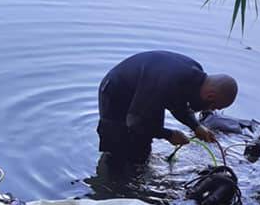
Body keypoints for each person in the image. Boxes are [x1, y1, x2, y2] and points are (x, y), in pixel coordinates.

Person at [97, 50, 238, 162]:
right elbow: (136, 122)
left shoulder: (195, 74)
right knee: (116, 149)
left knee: (141, 147)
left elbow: (178, 105)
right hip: (116, 94)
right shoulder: (165, 82)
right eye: (214, 107)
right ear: (210, 96)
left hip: (146, 92)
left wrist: (196, 126)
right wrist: (169, 135)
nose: (210, 110)